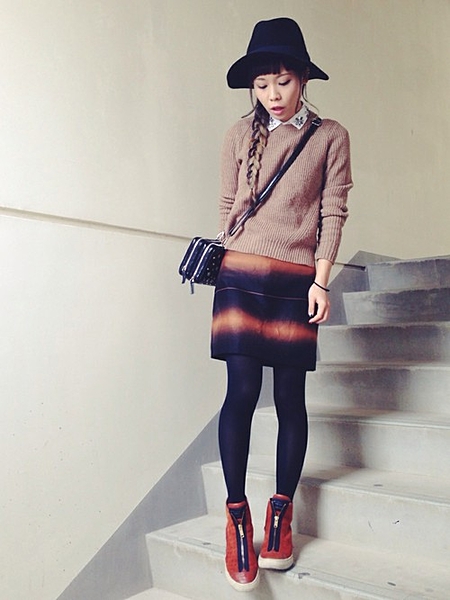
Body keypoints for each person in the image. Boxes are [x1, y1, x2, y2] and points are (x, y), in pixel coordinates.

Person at [210, 17, 352, 591]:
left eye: (283, 81)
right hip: (240, 274)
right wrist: (229, 255)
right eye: (263, 83)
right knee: (242, 391)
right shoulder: (237, 135)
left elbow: (332, 210)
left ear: (303, 79)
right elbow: (228, 205)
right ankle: (237, 518)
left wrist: (322, 281)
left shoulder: (330, 135)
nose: (272, 93)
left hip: (296, 280)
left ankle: (280, 515)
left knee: (290, 397)